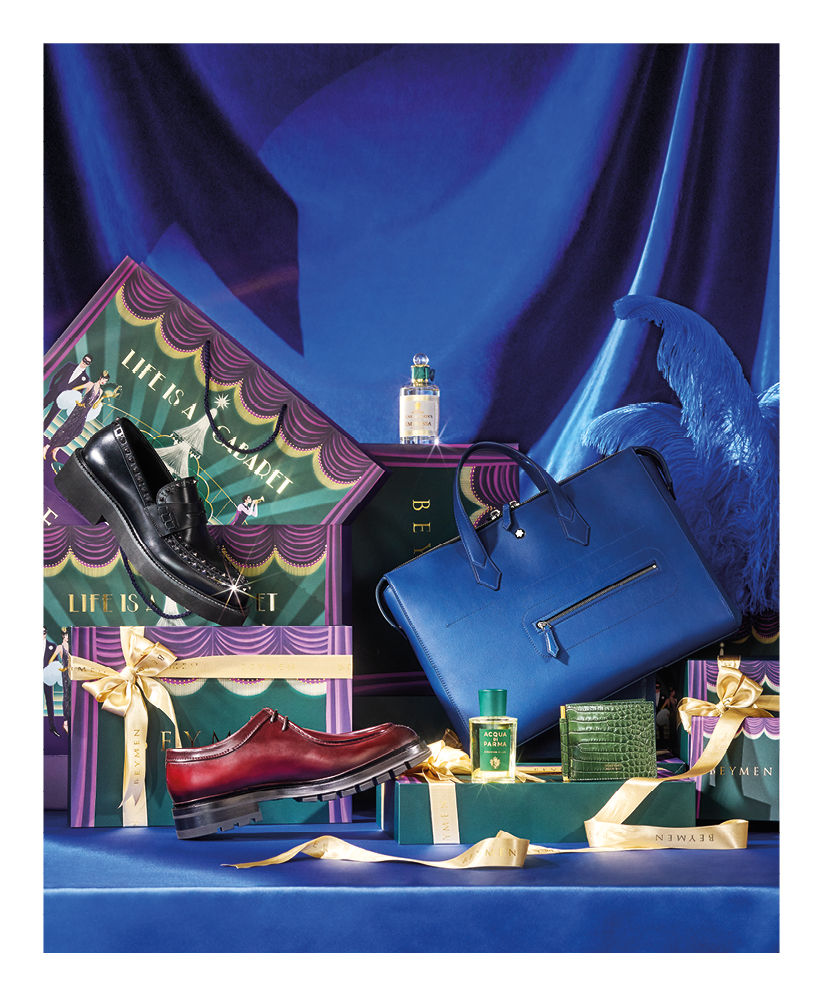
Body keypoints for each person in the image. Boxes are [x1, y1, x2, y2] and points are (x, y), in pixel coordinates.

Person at [44, 371, 120, 465]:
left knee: (76, 431)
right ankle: (47, 446)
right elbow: (75, 388)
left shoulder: (100, 391)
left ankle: (56, 448)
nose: (104, 381)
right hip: (79, 409)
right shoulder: (90, 384)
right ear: (100, 377)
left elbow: (94, 406)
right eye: (104, 379)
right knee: (66, 427)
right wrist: (77, 401)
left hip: (85, 413)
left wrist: (101, 398)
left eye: (106, 381)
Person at [43, 354, 93, 430]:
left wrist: (69, 401)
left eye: (87, 362)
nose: (85, 362)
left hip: (64, 398)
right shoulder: (70, 365)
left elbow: (78, 392)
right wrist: (52, 387)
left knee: (51, 416)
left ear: (89, 364)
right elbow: (57, 374)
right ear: (82, 359)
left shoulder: (85, 378)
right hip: (55, 390)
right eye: (84, 360)